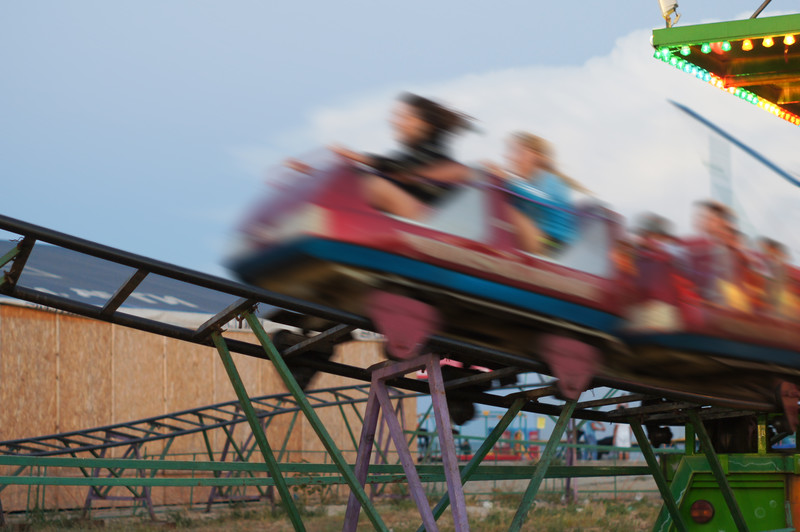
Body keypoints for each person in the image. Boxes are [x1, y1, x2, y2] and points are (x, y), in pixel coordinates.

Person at [330, 92, 473, 220]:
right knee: (353, 177)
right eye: (396, 117)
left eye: (404, 117)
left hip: (434, 224)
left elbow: (403, 169)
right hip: (415, 218)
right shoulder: (414, 154)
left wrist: (354, 156)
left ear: (423, 124)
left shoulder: (433, 152)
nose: (395, 122)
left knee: (372, 183)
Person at [484, 132, 580, 255]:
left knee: (506, 208)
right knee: (497, 200)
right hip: (539, 239)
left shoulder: (551, 180)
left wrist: (507, 179)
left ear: (536, 157)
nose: (510, 157)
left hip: (555, 245)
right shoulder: (525, 186)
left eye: (517, 152)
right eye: (510, 152)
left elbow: (542, 198)